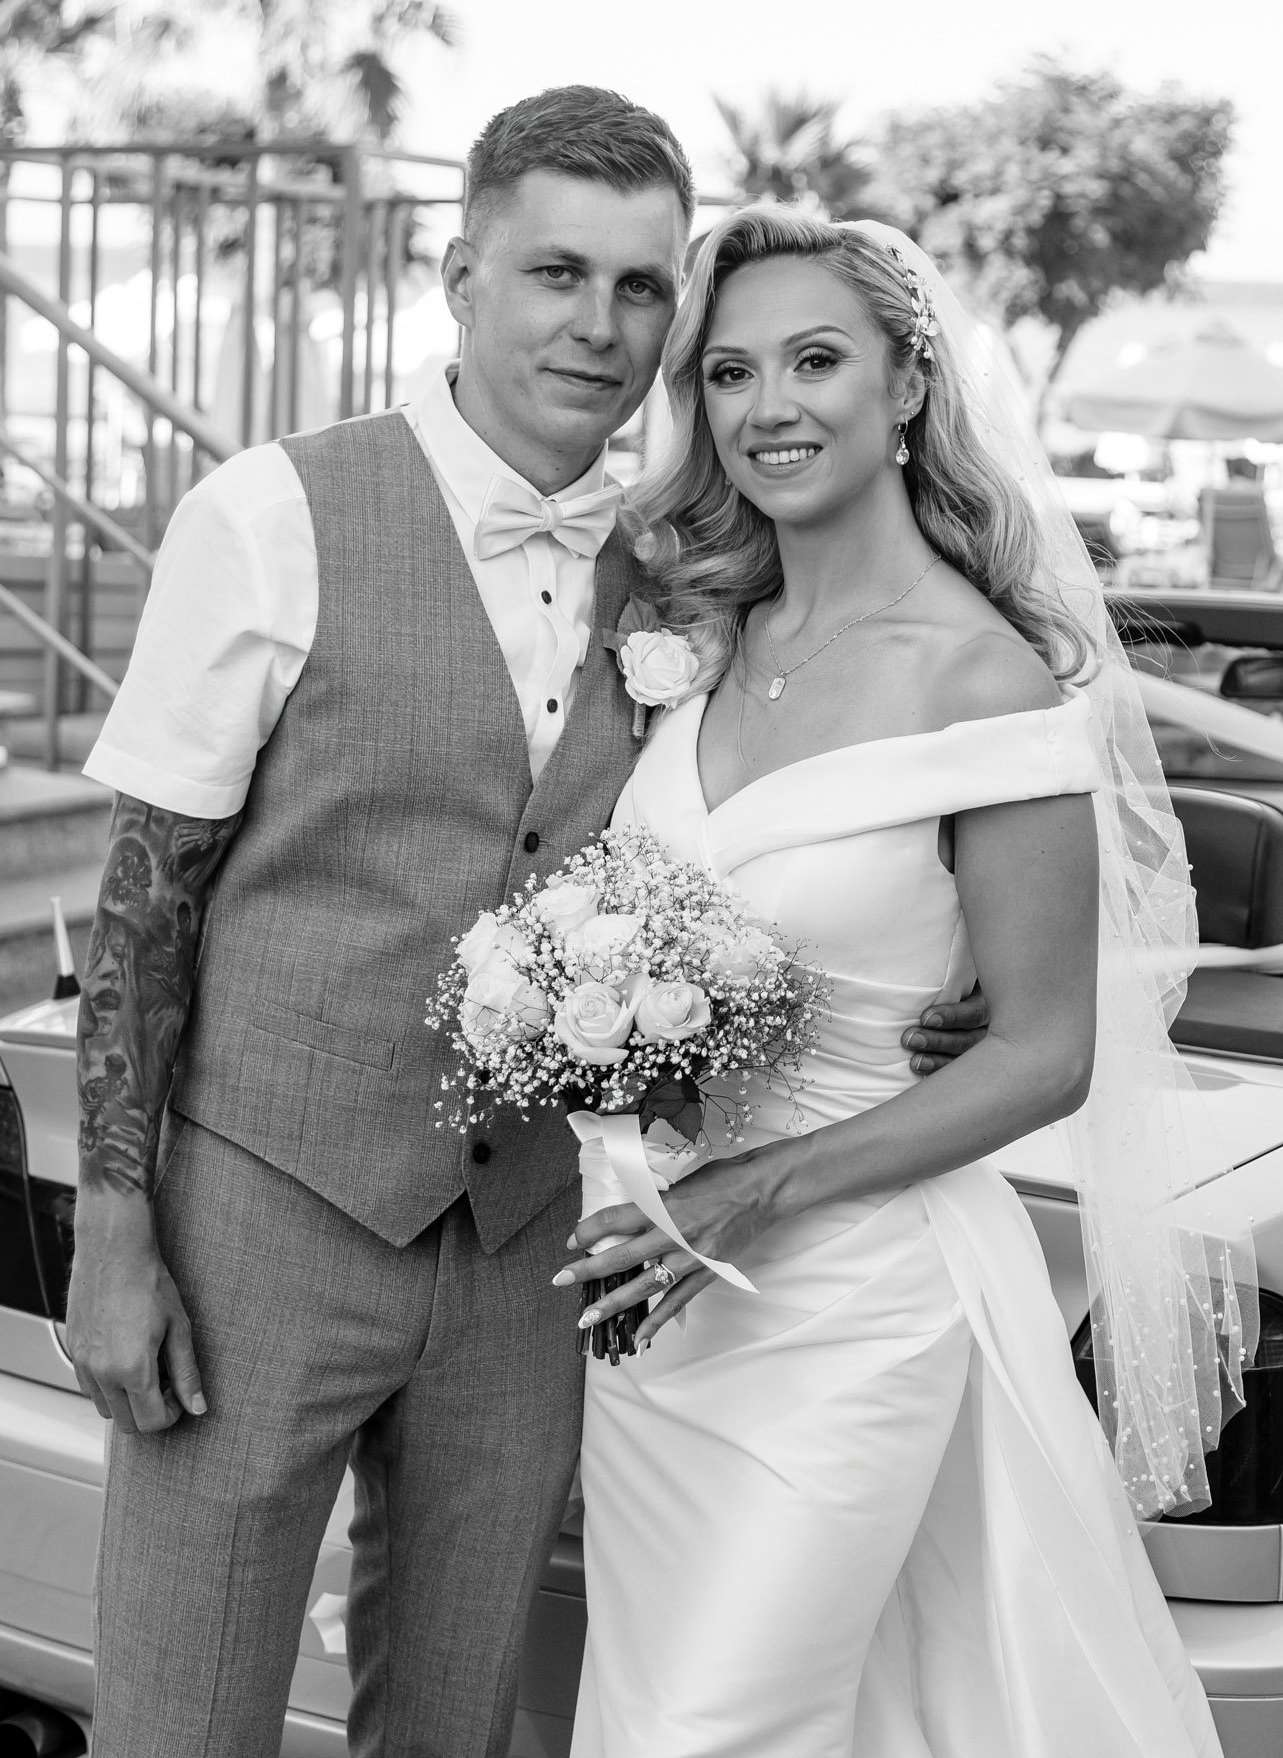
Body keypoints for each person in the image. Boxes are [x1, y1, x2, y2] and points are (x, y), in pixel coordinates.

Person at [65, 92, 983, 1758]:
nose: (601, 325)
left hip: (529, 1250)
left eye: (644, 289)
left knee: (460, 1717)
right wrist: (114, 1233)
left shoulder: (695, 568)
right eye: (557, 272)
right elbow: (143, 904)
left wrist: (956, 971)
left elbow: (825, 805)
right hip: (260, 1215)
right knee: (180, 1715)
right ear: (459, 274)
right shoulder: (269, 515)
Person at [557, 205, 1255, 1757]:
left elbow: (1041, 1054)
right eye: (729, 373)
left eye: (816, 360)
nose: (768, 408)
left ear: (907, 386)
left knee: (716, 1726)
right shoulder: (696, 632)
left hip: (856, 1294)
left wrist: (751, 1190)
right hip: (658, 1313)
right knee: (711, 1704)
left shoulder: (979, 674)